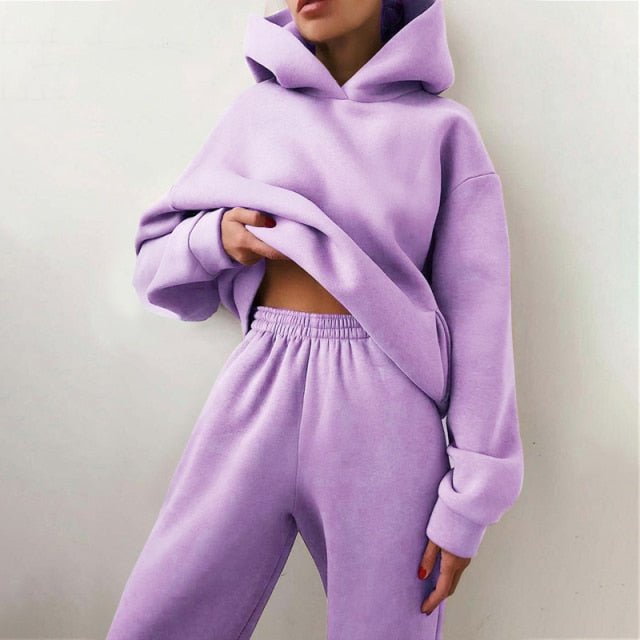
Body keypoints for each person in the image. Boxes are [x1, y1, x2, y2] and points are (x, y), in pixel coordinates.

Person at [106, 0, 525, 638]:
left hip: (387, 411)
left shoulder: (443, 131)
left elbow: (480, 319)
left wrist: (470, 503)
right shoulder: (257, 114)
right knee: (159, 617)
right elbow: (152, 262)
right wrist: (217, 236)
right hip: (261, 383)